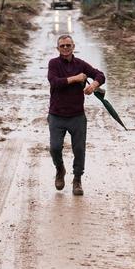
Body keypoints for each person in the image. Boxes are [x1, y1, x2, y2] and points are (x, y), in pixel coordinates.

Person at [46, 34, 104, 195]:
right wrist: (76, 78)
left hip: (77, 116)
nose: (65, 48)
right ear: (58, 48)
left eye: (68, 45)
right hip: (56, 115)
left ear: (73, 47)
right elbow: (55, 82)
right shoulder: (54, 63)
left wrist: (93, 85)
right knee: (55, 148)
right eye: (62, 46)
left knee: (79, 149)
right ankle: (60, 169)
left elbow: (100, 75)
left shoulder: (81, 64)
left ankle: (77, 180)